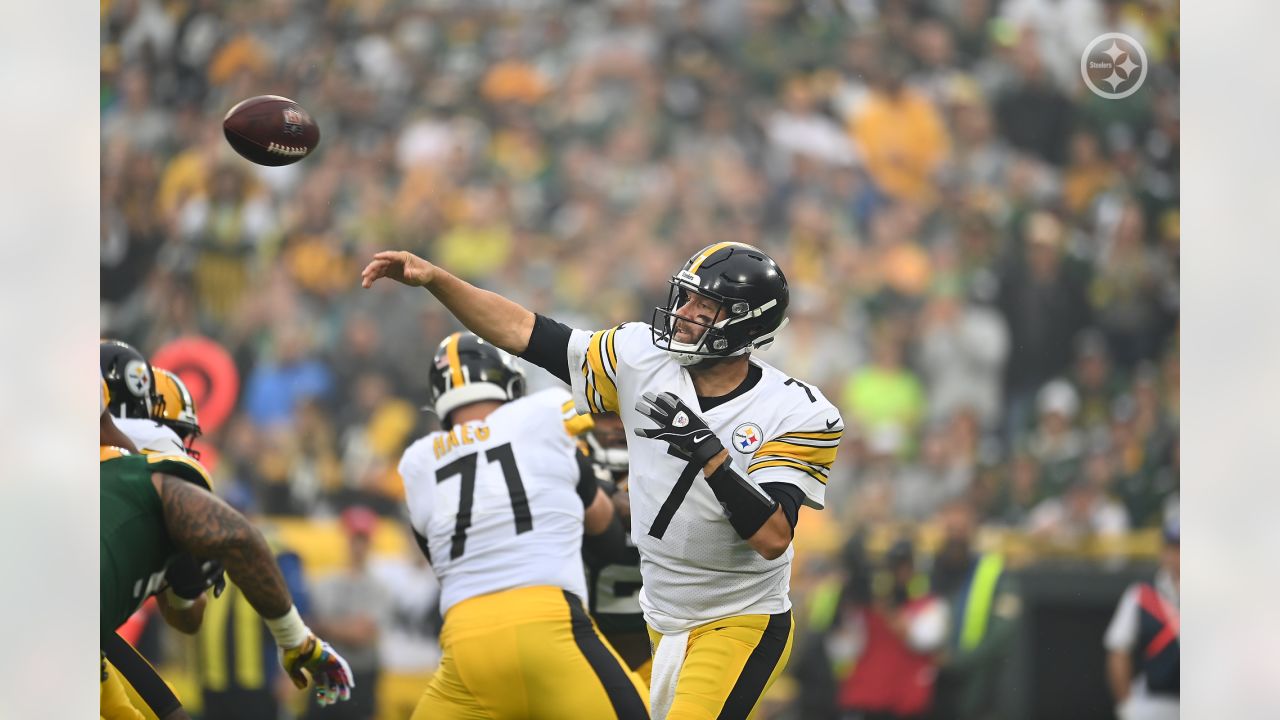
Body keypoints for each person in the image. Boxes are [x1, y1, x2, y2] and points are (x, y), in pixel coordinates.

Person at [364, 240, 844, 719]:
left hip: (738, 618)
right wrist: (437, 281)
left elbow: (773, 537)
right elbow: (523, 330)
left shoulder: (798, 411)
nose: (684, 313)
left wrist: (710, 455)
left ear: (746, 323)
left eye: (706, 306)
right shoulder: (641, 357)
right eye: (686, 297)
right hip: (659, 615)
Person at [397, 332, 647, 719]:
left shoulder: (416, 462)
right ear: (510, 382)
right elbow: (606, 534)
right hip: (545, 622)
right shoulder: (545, 413)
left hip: (463, 639)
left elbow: (439, 560)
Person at [100, 446, 355, 715]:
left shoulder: (275, 551)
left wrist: (295, 649)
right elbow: (187, 617)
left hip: (257, 679)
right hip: (213, 676)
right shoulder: (196, 545)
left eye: (238, 510)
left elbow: (299, 607)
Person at [929, 499, 1020, 720]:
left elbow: (1003, 632)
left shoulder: (993, 571)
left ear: (973, 529)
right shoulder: (927, 570)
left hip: (977, 686)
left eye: (961, 528)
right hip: (929, 688)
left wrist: (958, 659)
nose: (956, 536)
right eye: (951, 528)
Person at [579, 410, 652, 681]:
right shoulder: (570, 460)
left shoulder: (668, 463)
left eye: (626, 412)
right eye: (607, 415)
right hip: (582, 646)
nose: (618, 426)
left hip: (655, 646)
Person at [306, 506, 393, 720]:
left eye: (363, 539)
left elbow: (362, 636)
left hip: (360, 675)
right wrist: (347, 627)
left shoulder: (379, 587)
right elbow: (310, 626)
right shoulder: (326, 582)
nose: (358, 546)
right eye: (355, 538)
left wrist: (328, 627)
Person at [1103, 518, 1179, 720]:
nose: (1178, 556)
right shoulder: (1142, 594)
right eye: (1174, 548)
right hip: (1156, 701)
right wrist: (1125, 704)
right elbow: (1118, 650)